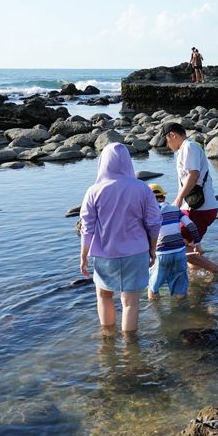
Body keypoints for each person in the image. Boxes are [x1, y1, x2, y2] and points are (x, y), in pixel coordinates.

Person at [79, 143, 161, 333]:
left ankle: (107, 342)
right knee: (130, 302)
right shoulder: (142, 188)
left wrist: (84, 255)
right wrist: (152, 249)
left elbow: (87, 226)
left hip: (104, 254)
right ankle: (130, 348)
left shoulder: (94, 190)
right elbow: (154, 222)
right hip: (136, 252)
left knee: (104, 295)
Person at [159, 122, 218, 274]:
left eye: (166, 141)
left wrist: (179, 199)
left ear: (173, 135)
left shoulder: (189, 146)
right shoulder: (185, 149)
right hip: (198, 207)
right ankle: (196, 278)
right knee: (190, 247)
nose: (167, 146)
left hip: (199, 208)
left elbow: (193, 175)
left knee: (175, 242)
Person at [147, 184, 201, 300]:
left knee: (153, 286)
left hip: (161, 254)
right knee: (181, 286)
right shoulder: (176, 210)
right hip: (179, 253)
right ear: (164, 197)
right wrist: (197, 244)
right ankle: (182, 312)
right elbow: (191, 226)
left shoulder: (148, 214)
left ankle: (156, 312)